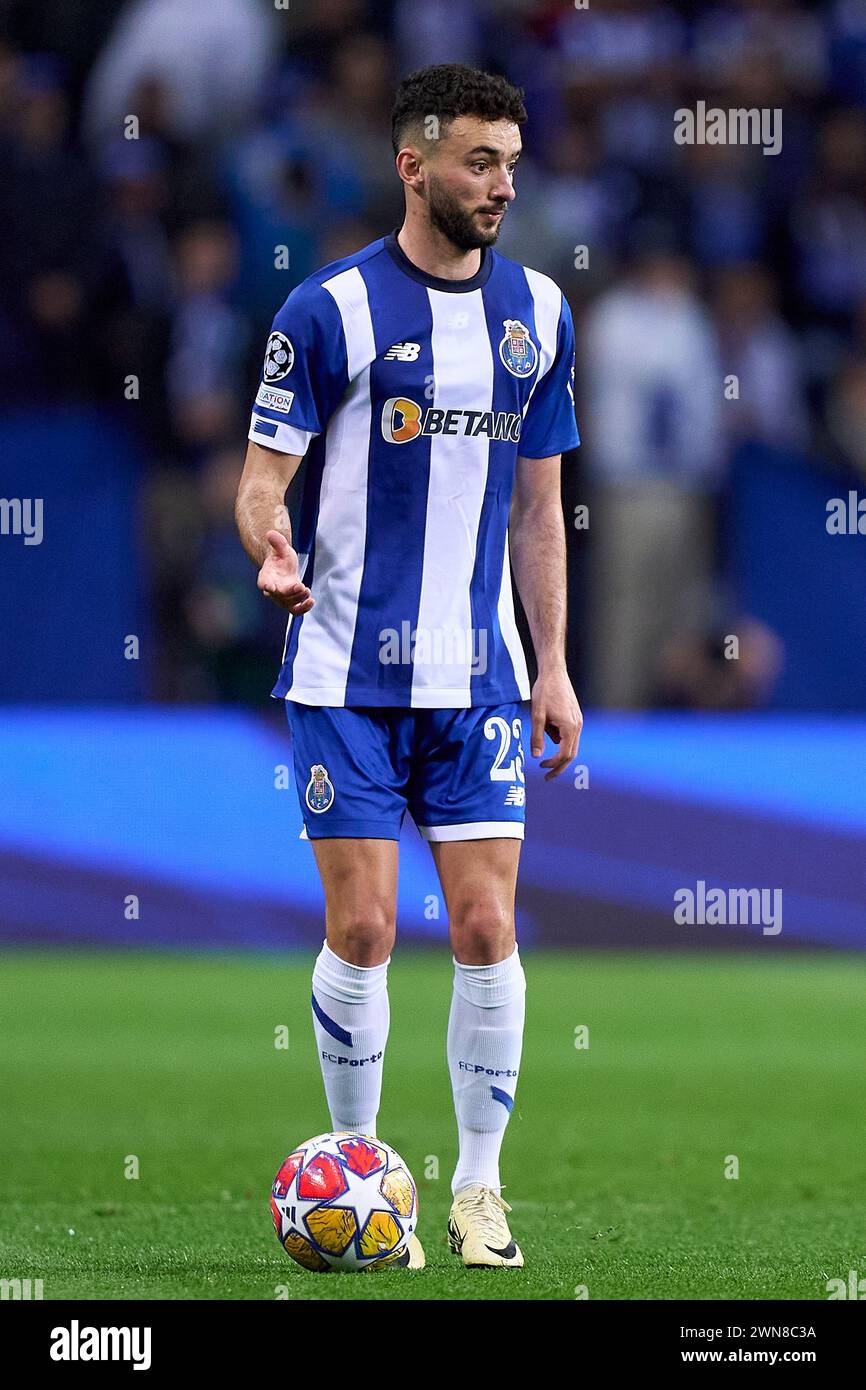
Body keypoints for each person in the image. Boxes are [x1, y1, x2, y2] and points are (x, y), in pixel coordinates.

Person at [235, 64, 582, 1271]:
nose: (499, 184)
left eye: (510, 164)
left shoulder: (538, 311)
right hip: (342, 673)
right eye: (478, 162)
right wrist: (270, 549)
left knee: (486, 924)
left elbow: (540, 512)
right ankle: (359, 1168)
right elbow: (259, 484)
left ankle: (478, 1193)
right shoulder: (325, 311)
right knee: (369, 926)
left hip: (477, 675)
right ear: (413, 162)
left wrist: (552, 665)